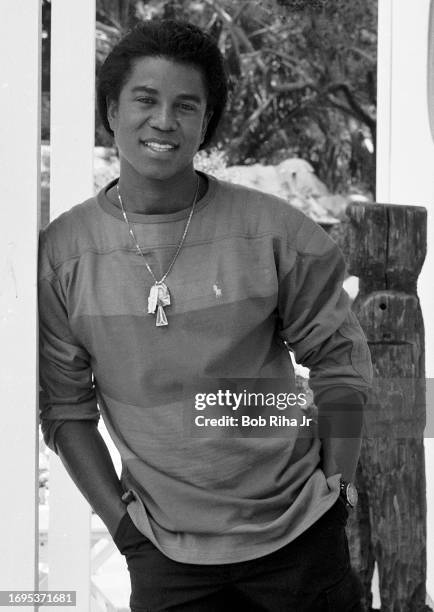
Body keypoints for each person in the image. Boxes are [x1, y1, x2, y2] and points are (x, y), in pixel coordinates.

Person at [38, 18, 373, 612]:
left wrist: (339, 489)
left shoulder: (274, 233)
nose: (164, 121)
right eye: (145, 100)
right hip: (166, 557)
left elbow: (341, 362)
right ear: (112, 112)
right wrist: (124, 532)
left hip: (300, 538)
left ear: (206, 122)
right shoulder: (64, 256)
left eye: (186, 106)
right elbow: (65, 409)